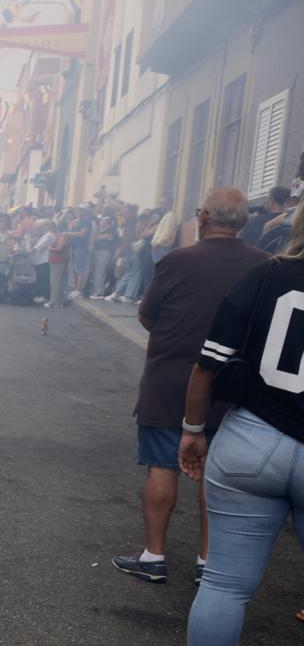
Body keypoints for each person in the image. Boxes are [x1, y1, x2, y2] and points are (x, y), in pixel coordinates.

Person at [171, 204, 304, 646]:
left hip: (255, 435)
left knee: (225, 583)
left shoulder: (268, 274)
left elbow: (209, 363)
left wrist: (192, 429)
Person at [112, 188, 272, 584]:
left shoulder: (177, 260)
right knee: (216, 475)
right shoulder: (264, 264)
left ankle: (153, 556)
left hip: (171, 378)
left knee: (162, 466)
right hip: (232, 383)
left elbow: (148, 313)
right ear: (244, 222)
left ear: (202, 218)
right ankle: (208, 561)